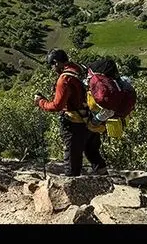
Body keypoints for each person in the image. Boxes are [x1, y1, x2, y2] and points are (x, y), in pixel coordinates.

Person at [34, 48, 108, 177]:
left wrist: (41, 102)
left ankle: (71, 190)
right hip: (92, 121)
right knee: (93, 153)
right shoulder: (81, 70)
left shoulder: (65, 79)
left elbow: (57, 106)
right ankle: (107, 183)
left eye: (51, 64)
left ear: (56, 62)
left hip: (74, 124)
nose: (52, 68)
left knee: (72, 159)